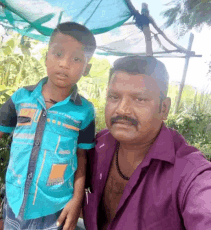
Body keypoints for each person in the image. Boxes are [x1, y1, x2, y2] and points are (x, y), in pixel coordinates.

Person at [83, 55, 211, 230]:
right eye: (114, 97)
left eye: (140, 99)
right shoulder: (96, 146)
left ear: (164, 108)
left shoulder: (189, 174)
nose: (122, 109)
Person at [0, 22, 96, 230]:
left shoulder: (84, 111)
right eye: (58, 54)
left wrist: (77, 201)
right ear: (46, 57)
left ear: (87, 68)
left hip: (54, 209)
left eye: (76, 59)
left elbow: (82, 157)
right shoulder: (21, 98)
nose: (65, 64)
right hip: (15, 201)